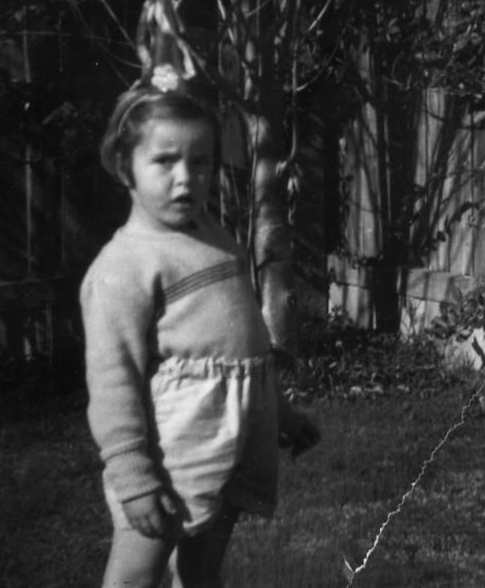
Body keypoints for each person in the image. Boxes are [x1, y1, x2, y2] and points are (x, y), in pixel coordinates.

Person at [80, 64, 320, 588]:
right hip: (171, 454)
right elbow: (112, 385)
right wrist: (134, 479)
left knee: (201, 571)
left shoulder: (213, 238)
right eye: (164, 161)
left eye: (201, 162)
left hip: (232, 439)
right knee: (135, 576)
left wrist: (281, 411)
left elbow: (240, 348)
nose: (186, 178)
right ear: (125, 165)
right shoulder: (123, 270)